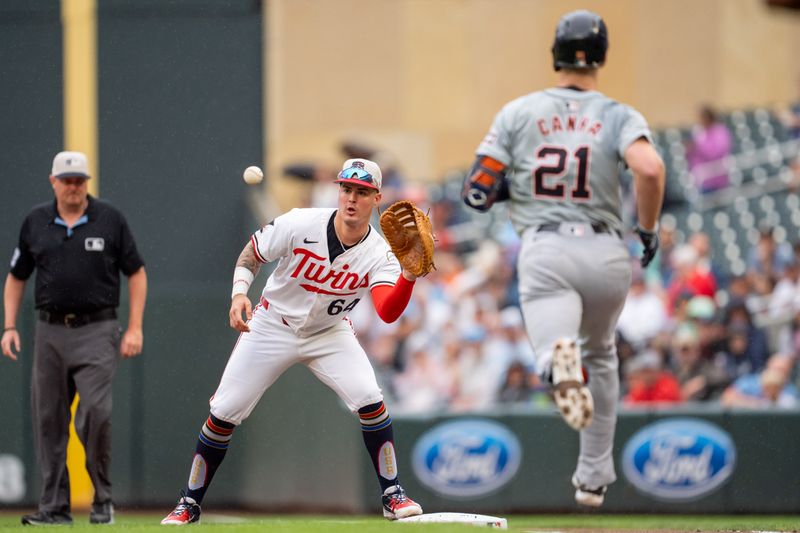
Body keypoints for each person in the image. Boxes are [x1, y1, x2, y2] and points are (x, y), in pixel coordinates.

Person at [462, 10, 665, 508]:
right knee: (602, 355)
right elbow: (650, 168)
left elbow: (477, 190)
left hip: (548, 247)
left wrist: (514, 187)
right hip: (606, 249)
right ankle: (593, 477)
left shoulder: (519, 112)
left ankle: (556, 363)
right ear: (601, 57)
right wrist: (648, 226)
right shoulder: (618, 113)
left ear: (555, 53)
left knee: (557, 348)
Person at [160, 158, 423, 525]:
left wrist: (408, 274)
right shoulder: (301, 222)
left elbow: (388, 312)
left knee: (370, 398)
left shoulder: (379, 253)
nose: (351, 198)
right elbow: (253, 252)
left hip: (329, 333)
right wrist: (239, 294)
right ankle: (189, 503)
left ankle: (393, 495)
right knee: (224, 412)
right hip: (272, 324)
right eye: (346, 189)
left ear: (376, 198)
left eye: (361, 192)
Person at [1, 151, 147, 526]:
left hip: (97, 329)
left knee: (95, 415)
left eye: (79, 180)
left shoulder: (109, 220)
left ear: (87, 182)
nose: (73, 187)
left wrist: (134, 327)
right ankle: (54, 506)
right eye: (66, 180)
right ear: (53, 181)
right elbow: (17, 276)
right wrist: (10, 326)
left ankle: (102, 498)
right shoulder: (36, 221)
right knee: (48, 419)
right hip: (48, 331)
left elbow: (136, 272)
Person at [686, 105, 733, 194]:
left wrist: (699, 145)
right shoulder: (700, 132)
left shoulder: (720, 132)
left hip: (717, 178)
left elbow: (716, 153)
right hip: (701, 179)